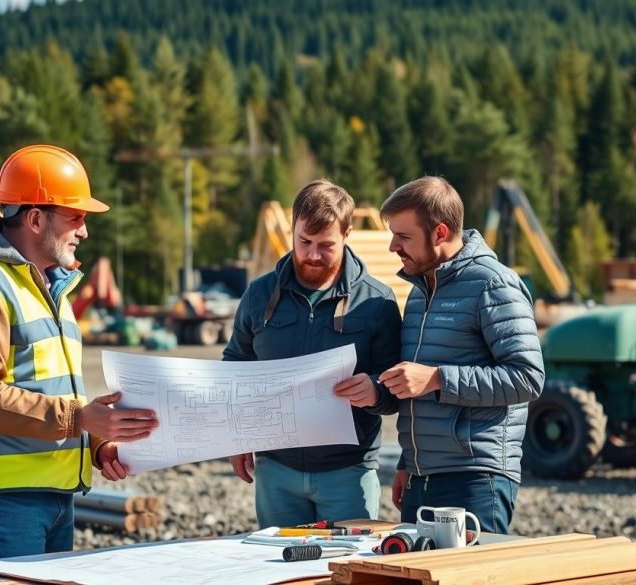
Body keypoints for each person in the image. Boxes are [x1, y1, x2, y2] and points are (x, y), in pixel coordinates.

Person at [0, 144, 159, 560]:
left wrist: (95, 442)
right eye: (75, 217)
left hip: (55, 493)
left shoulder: (54, 292)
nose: (84, 231)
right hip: (1, 499)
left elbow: (50, 392)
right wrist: (80, 418)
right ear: (35, 218)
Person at [362, 176, 544, 534]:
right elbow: (417, 393)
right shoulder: (418, 292)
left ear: (440, 232)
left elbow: (527, 377)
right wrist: (407, 462)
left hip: (475, 478)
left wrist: (435, 378)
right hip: (421, 477)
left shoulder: (493, 284)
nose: (392, 247)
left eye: (403, 236)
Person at [223, 179, 402, 528]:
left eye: (326, 245)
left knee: (350, 575)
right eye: (304, 242)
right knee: (281, 577)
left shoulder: (377, 302)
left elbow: (396, 384)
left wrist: (376, 389)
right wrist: (238, 436)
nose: (313, 255)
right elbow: (235, 365)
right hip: (276, 472)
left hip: (348, 474)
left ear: (347, 233)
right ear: (292, 230)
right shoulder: (259, 295)